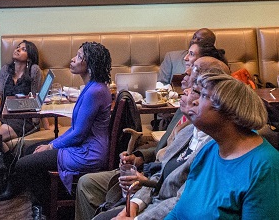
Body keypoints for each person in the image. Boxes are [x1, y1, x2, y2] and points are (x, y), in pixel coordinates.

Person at [75, 58, 229, 220]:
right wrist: (139, 160)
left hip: (163, 202)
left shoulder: (215, 146)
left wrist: (137, 214)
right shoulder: (188, 128)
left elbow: (182, 199)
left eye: (198, 91)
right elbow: (162, 167)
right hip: (151, 182)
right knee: (89, 187)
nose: (186, 71)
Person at [0, 42, 112, 220]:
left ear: (89, 65)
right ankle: (45, 207)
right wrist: (51, 145)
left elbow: (79, 133)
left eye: (79, 57)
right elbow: (76, 130)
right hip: (82, 145)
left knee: (23, 165)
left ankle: (50, 210)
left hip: (88, 153)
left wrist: (51, 146)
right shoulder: (92, 87)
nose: (73, 59)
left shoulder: (94, 91)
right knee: (29, 151)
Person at [165, 73, 279, 219]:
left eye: (204, 96)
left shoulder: (265, 166)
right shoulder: (209, 149)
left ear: (229, 111)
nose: (194, 102)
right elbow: (179, 212)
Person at [0, 40, 43, 180]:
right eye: (17, 47)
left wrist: (44, 124)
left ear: (30, 56)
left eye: (23, 49)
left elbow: (38, 98)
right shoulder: (5, 70)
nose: (18, 50)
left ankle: (3, 170)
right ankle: (6, 169)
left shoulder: (34, 70)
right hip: (5, 116)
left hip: (25, 119)